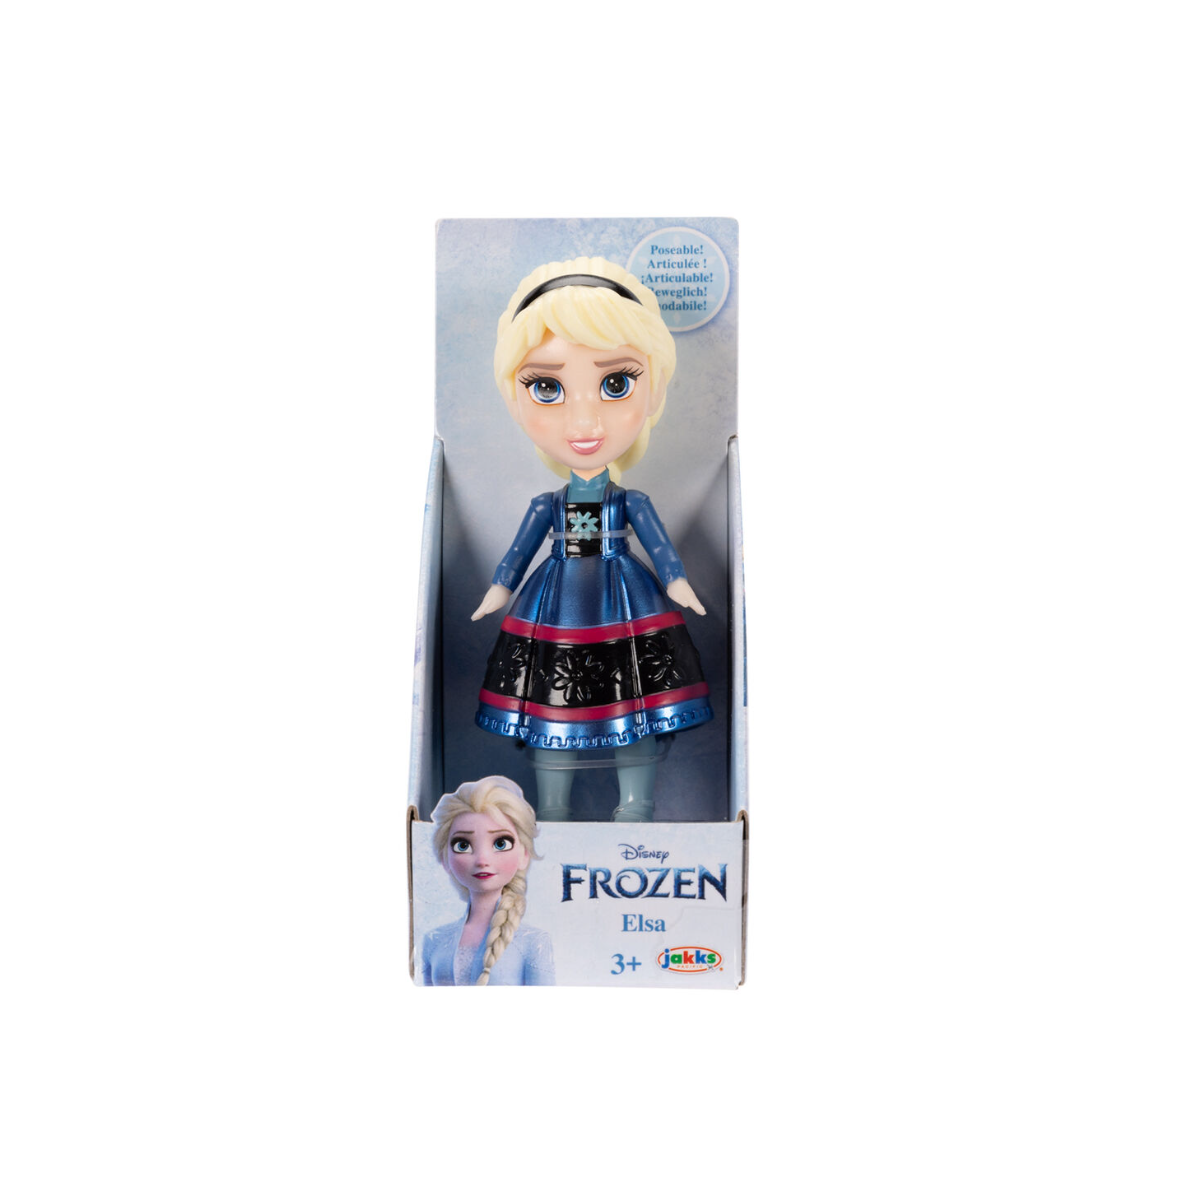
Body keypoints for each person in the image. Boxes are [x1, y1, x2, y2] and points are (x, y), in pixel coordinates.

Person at [472, 257, 712, 822]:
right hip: (557, 601)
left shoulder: (631, 501)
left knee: (636, 704)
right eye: (546, 387)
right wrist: (498, 589)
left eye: (615, 383)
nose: (585, 423)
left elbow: (661, 550)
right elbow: (517, 554)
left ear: (653, 388)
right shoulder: (547, 505)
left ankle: (637, 807)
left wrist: (677, 583)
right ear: (514, 397)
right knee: (551, 706)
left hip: (625, 598)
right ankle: (551, 811)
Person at [422, 776, 554, 986]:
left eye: (501, 843)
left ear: (524, 854)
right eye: (463, 845)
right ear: (445, 859)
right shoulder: (434, 939)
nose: (482, 860)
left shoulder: (533, 942)